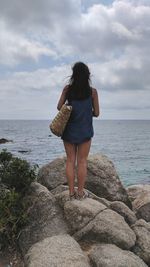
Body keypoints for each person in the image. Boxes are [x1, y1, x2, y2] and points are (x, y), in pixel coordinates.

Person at [57, 62, 100, 200]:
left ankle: (71, 193)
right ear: (87, 75)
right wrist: (87, 112)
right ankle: (80, 193)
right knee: (82, 161)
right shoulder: (92, 92)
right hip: (85, 131)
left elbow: (59, 107)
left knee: (70, 161)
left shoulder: (67, 89)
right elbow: (97, 113)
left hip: (69, 130)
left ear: (73, 75)